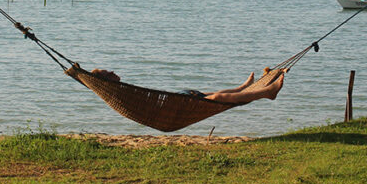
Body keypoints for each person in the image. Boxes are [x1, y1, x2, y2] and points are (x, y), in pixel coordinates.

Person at [90, 68, 286, 104]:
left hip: (176, 99)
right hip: (174, 105)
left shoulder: (121, 90)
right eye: (109, 74)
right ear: (106, 81)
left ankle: (242, 88)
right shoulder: (119, 93)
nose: (114, 72)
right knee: (217, 99)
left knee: (213, 95)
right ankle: (267, 92)